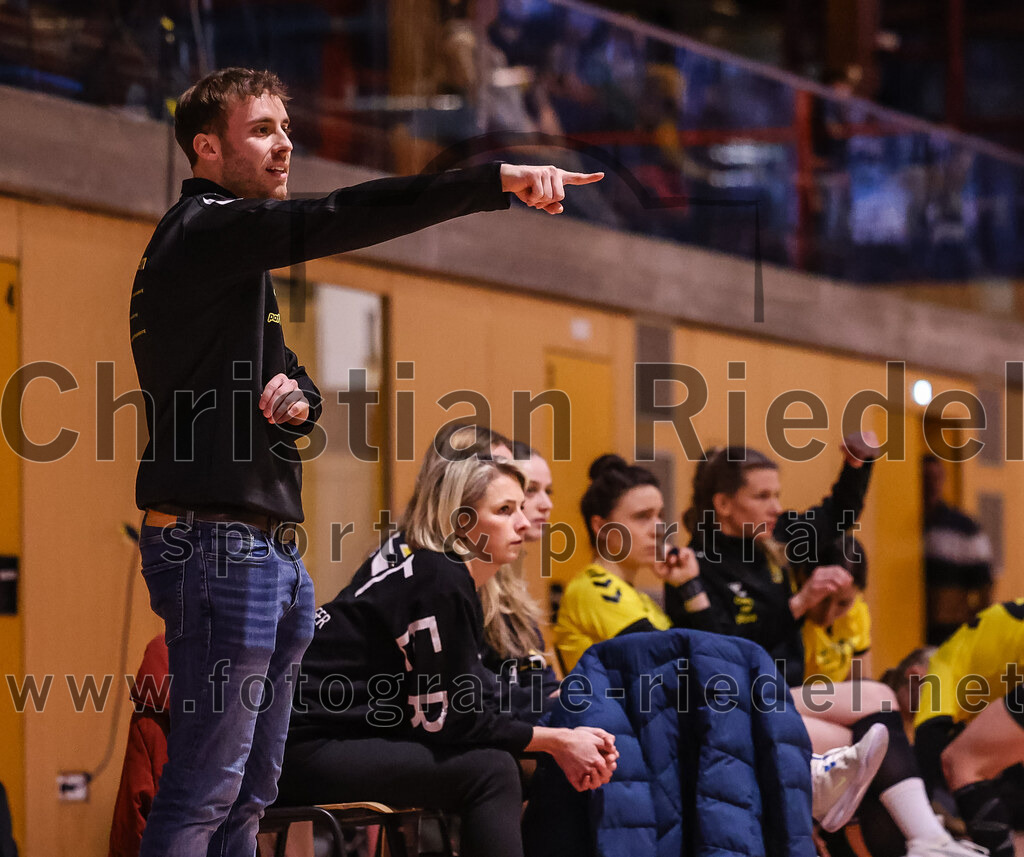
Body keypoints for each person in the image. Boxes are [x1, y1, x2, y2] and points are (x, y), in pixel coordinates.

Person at [129, 66, 605, 857]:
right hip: (217, 543)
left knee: (247, 794)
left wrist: (301, 401)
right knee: (206, 788)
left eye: (286, 127)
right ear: (206, 147)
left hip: (268, 547)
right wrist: (495, 180)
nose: (285, 145)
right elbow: (345, 212)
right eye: (261, 130)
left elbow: (293, 376)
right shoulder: (205, 229)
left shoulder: (232, 264)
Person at [279, 452, 617, 857]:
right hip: (298, 749)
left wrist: (557, 727)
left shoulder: (442, 575)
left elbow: (471, 699)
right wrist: (558, 740)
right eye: (505, 510)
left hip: (335, 738)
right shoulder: (440, 577)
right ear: (462, 523)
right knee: (491, 771)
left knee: (519, 762)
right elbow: (449, 719)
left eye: (521, 509)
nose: (524, 524)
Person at [665, 444, 989, 857]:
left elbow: (837, 516)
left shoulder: (772, 539)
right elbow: (724, 654)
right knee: (870, 714)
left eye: (777, 494)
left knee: (870, 726)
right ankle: (926, 837)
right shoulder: (696, 566)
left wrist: (857, 465)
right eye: (762, 497)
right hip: (740, 702)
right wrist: (798, 605)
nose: (776, 507)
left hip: (787, 694)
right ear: (724, 504)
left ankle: (927, 839)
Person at [553, 454, 890, 835]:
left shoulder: (648, 595)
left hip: (694, 716)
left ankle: (916, 834)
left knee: (872, 717)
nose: (657, 529)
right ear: (602, 527)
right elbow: (678, 665)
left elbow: (706, 653)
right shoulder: (594, 586)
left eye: (660, 516)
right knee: (852, 738)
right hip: (645, 731)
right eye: (641, 518)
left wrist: (690, 589)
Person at [908, 600, 1024, 857]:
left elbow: (923, 763)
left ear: (916, 677)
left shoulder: (940, 670)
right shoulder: (980, 663)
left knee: (960, 763)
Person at [479, 442, 561, 721]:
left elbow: (538, 677)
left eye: (548, 491)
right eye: (531, 490)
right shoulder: (471, 577)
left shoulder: (511, 578)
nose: (546, 504)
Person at [922, 455, 995, 646]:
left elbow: (984, 587)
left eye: (936, 479)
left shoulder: (964, 528)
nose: (931, 486)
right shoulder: (897, 526)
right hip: (904, 626)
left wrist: (976, 631)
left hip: (949, 633)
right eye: (925, 479)